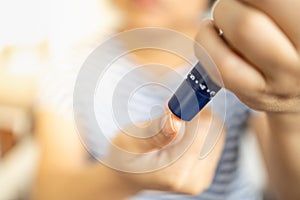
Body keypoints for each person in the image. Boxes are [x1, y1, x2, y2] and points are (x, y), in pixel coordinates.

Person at [33, 0, 300, 200]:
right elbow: (48, 191)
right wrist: (118, 178)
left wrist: (289, 113)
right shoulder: (68, 67)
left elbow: (290, 191)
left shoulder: (248, 59)